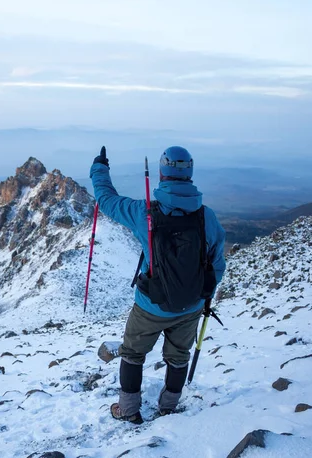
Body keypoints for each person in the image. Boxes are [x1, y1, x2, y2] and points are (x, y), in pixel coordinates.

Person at [90, 145, 226, 424]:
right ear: (190, 174)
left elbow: (106, 200)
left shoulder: (144, 213)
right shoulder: (206, 217)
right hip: (191, 306)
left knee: (132, 352)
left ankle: (128, 410)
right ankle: (168, 407)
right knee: (178, 356)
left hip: (151, 305)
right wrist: (205, 296)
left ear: (162, 174)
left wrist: (99, 168)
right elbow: (218, 264)